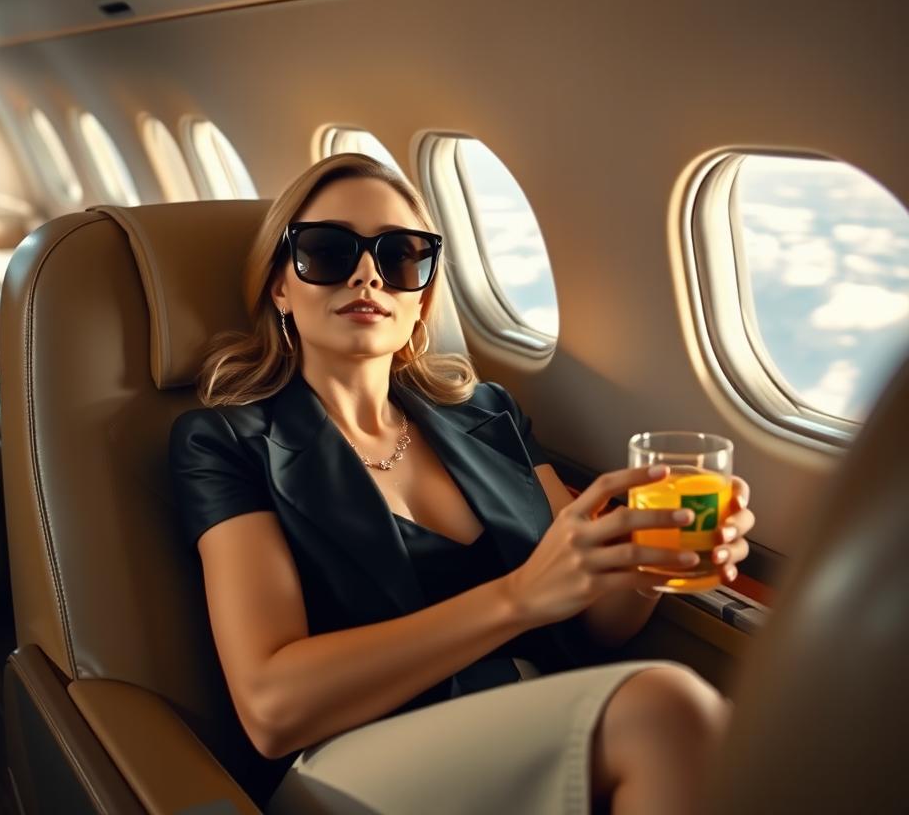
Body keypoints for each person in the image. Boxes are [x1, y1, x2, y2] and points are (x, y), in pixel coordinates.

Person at [169, 153, 756, 814]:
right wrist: (516, 598)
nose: (368, 274)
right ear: (279, 285)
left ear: (421, 295)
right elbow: (272, 707)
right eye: (329, 251)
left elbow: (596, 625)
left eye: (400, 257)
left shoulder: (487, 413)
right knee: (665, 707)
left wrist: (647, 564)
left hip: (527, 716)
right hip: (354, 760)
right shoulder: (225, 442)